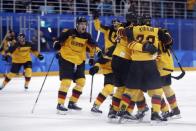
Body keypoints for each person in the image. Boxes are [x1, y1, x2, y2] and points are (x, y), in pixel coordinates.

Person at [116, 15, 172, 122]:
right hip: (150, 64)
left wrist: (122, 26)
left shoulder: (133, 29)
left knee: (130, 90)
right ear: (150, 22)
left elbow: (120, 32)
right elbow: (169, 41)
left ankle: (122, 110)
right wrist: (165, 33)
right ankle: (155, 114)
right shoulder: (157, 30)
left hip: (136, 64)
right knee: (156, 91)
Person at [53, 16, 98, 114]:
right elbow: (58, 40)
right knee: (66, 82)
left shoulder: (87, 36)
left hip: (79, 60)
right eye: (81, 24)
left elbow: (92, 47)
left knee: (81, 81)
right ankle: (60, 104)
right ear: (77, 24)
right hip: (66, 59)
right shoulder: (69, 32)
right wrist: (57, 45)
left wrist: (91, 57)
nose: (83, 26)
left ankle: (72, 102)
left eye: (85, 24)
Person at [89, 13, 120, 113]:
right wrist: (96, 18)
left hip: (121, 61)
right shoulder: (108, 29)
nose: (115, 24)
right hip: (109, 59)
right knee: (109, 87)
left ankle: (129, 108)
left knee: (129, 88)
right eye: (114, 23)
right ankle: (97, 105)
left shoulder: (124, 31)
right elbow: (98, 27)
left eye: (117, 22)